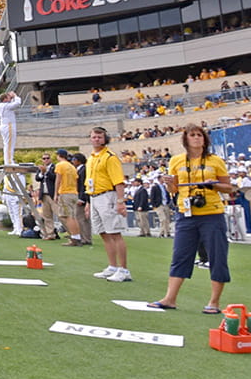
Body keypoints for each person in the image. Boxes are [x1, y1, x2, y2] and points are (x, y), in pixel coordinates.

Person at [148, 124, 234, 312]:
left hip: (212, 214)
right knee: (180, 255)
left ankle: (214, 302)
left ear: (204, 139)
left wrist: (213, 185)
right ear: (185, 139)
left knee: (217, 256)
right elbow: (174, 190)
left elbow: (229, 188)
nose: (196, 138)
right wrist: (170, 184)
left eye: (199, 135)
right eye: (192, 135)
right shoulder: (177, 161)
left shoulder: (215, 160)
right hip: (185, 214)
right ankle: (170, 298)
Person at [87, 126, 131, 282]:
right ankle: (112, 266)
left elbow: (118, 181)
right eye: (94, 136)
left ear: (105, 138)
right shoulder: (91, 157)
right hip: (94, 196)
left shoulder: (110, 157)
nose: (96, 139)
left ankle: (124, 269)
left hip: (108, 196)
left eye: (100, 136)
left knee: (115, 233)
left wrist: (120, 201)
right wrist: (88, 202)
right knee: (103, 232)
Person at [53, 149, 84, 245]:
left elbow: (58, 180)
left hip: (65, 192)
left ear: (59, 156)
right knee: (73, 217)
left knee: (67, 217)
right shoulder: (72, 166)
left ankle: (74, 238)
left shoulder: (60, 165)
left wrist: (56, 194)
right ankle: (77, 236)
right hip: (73, 193)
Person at [35, 153, 58, 240]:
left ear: (50, 159)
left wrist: (47, 172)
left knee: (60, 214)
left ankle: (72, 233)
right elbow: (37, 178)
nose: (45, 160)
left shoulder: (54, 167)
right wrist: (42, 172)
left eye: (47, 158)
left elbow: (55, 178)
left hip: (52, 194)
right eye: (44, 158)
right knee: (47, 216)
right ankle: (50, 234)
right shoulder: (41, 168)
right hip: (44, 194)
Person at [0, 91, 19, 165]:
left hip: (5, 125)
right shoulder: (5, 105)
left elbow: (12, 104)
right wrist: (15, 96)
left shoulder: (3, 105)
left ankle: (8, 160)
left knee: (7, 144)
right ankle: (9, 162)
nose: (10, 98)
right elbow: (17, 103)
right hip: (8, 126)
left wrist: (12, 98)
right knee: (9, 144)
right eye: (8, 97)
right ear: (5, 99)